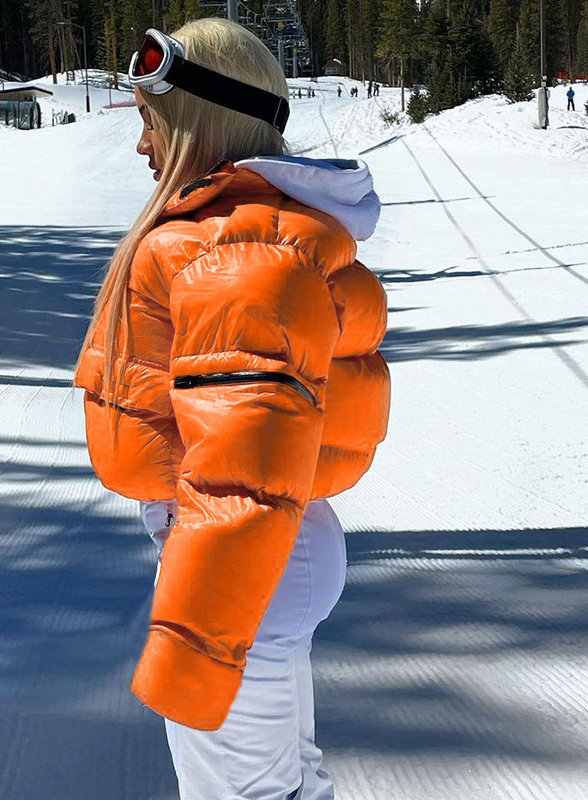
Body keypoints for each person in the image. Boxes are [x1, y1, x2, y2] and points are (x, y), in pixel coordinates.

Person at [74, 18, 390, 800]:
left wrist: (196, 641)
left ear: (200, 122)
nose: (142, 146)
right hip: (263, 554)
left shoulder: (235, 255)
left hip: (245, 561)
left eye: (153, 122)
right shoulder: (240, 236)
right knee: (282, 784)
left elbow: (241, 471)